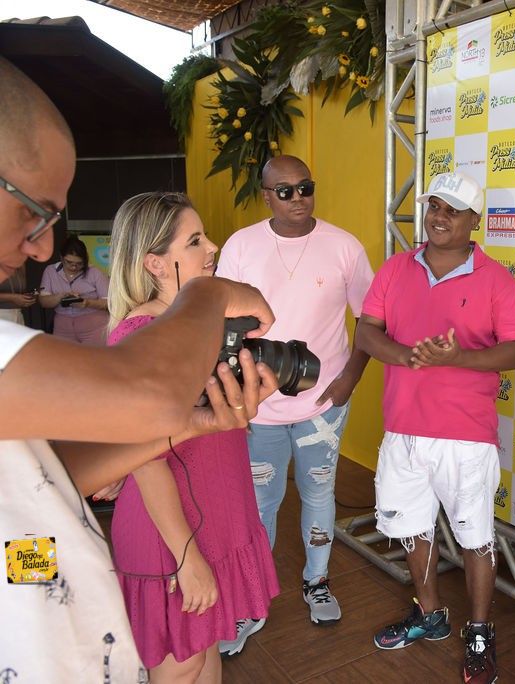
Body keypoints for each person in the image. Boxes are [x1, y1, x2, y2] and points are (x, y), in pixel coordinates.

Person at [0, 57, 278, 682]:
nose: (44, 246)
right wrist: (210, 294)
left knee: (204, 655)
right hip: (45, 622)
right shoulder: (150, 331)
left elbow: (57, 474)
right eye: (34, 212)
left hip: (48, 623)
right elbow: (147, 400)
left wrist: (203, 422)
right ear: (154, 262)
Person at [356, 172, 515, 684]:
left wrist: (458, 358)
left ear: (476, 220)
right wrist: (407, 356)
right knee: (413, 528)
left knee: (476, 537)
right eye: (435, 205)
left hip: (465, 435)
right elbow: (366, 332)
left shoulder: (496, 280)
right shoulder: (396, 268)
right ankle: (430, 614)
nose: (440, 217)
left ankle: (479, 630)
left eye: (453, 210)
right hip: (403, 429)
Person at [106, 192, 281, 681]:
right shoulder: (140, 335)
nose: (213, 247)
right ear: (156, 263)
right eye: (196, 240)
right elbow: (146, 460)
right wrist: (187, 559)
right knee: (181, 666)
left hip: (215, 512)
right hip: (171, 532)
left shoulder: (201, 322)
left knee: (207, 652)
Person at [216, 154, 374, 639]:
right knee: (261, 501)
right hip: (257, 405)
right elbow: (221, 325)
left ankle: (317, 581)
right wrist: (235, 394)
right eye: (285, 191)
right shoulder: (242, 246)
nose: (298, 198)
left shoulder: (344, 246)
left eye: (306, 187)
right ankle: (253, 598)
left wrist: (349, 379)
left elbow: (371, 321)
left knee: (319, 491)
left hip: (322, 403)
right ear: (266, 196)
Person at [39, 233, 110, 344]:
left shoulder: (95, 272)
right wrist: (60, 297)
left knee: (94, 355)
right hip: (63, 326)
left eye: (79, 264)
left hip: (94, 326)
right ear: (61, 257)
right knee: (64, 354)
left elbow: (108, 302)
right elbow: (43, 301)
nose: (73, 267)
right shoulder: (50, 271)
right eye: (69, 262)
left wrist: (87, 303)